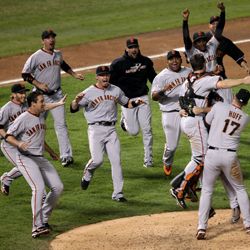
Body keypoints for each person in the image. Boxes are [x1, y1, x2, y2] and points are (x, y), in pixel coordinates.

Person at [170, 54, 250, 209]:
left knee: (200, 157)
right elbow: (223, 84)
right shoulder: (205, 81)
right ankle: (179, 188)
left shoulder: (188, 80)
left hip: (186, 121)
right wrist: (243, 80)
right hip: (196, 122)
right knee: (205, 158)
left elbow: (182, 101)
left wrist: (182, 110)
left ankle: (188, 187)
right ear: (205, 64)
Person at [70, 66, 145, 202]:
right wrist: (75, 101)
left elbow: (126, 103)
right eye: (102, 75)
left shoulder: (115, 90)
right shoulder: (88, 92)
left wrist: (135, 102)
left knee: (116, 161)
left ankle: (118, 193)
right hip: (95, 130)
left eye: (107, 75)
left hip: (111, 131)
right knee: (97, 160)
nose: (105, 77)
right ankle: (88, 172)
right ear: (97, 77)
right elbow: (73, 109)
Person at [4, 91, 64, 238]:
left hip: (40, 158)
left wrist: (58, 104)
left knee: (58, 187)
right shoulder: (23, 118)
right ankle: (36, 227)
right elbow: (8, 136)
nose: (44, 104)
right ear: (33, 104)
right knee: (38, 188)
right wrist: (19, 143)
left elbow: (40, 134)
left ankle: (43, 218)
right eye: (41, 101)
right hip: (25, 158)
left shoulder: (39, 113)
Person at [21, 29, 84, 167]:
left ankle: (66, 156)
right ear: (43, 41)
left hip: (57, 96)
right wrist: (38, 84)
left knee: (61, 125)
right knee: (36, 126)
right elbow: (25, 74)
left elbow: (63, 64)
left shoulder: (58, 54)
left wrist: (74, 74)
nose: (51, 40)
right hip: (39, 98)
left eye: (53, 37)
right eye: (48, 38)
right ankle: (33, 153)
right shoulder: (36, 57)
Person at [196, 89, 250, 240]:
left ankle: (201, 228)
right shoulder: (245, 118)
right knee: (240, 189)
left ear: (234, 97)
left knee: (207, 190)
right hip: (229, 157)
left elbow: (207, 121)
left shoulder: (219, 106)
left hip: (212, 155)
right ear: (245, 104)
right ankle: (248, 224)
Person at [0, 84, 59, 196]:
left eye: (24, 92)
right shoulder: (6, 109)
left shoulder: (28, 105)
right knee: (25, 166)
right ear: (13, 95)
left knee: (30, 165)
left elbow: (44, 107)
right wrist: (7, 137)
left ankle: (6, 178)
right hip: (9, 145)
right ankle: (42, 195)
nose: (24, 95)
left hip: (25, 141)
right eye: (20, 93)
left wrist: (58, 104)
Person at [109, 38, 157, 167]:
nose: (133, 49)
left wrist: (160, 90)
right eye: (131, 47)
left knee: (147, 129)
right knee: (134, 131)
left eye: (135, 47)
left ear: (138, 47)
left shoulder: (146, 62)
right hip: (127, 100)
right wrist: (115, 98)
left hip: (143, 98)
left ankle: (148, 159)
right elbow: (111, 83)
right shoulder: (118, 64)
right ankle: (124, 120)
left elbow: (154, 79)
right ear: (126, 49)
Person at [151, 50, 192, 176]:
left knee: (197, 139)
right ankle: (167, 161)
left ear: (181, 59)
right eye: (171, 59)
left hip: (188, 110)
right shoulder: (161, 77)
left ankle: (199, 165)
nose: (174, 61)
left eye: (176, 58)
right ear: (167, 61)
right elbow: (154, 97)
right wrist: (163, 91)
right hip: (170, 112)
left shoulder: (188, 71)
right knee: (172, 146)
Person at [182, 2, 225, 73]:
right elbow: (186, 38)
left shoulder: (211, 46)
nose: (202, 43)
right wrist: (185, 21)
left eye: (203, 40)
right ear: (195, 44)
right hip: (201, 81)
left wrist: (222, 11)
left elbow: (219, 30)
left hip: (216, 79)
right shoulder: (192, 52)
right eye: (199, 42)